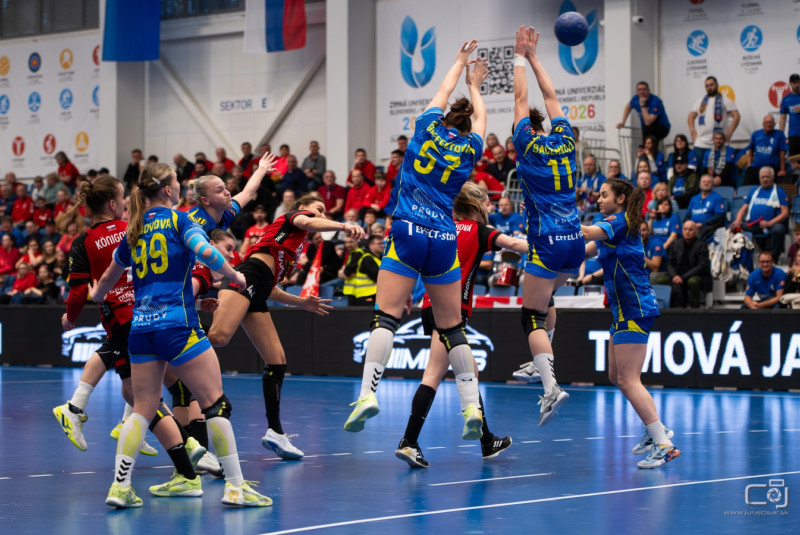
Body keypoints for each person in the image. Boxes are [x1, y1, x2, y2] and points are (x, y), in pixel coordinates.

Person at [89, 163, 271, 508]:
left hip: (141, 330)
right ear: (168, 190)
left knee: (142, 410)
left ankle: (120, 487)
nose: (179, 187)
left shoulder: (134, 228)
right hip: (177, 326)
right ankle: (236, 487)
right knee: (215, 403)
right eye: (176, 182)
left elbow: (108, 279)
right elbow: (206, 252)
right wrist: (235, 275)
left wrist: (96, 294)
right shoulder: (180, 220)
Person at [344, 40, 489, 439]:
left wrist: (459, 62)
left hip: (408, 229)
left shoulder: (425, 128)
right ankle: (470, 406)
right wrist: (476, 86)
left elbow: (441, 91)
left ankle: (367, 395)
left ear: (442, 119)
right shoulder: (469, 149)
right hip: (443, 236)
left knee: (386, 317)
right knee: (452, 327)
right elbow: (481, 120)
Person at [53, 176, 206, 493]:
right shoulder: (134, 229)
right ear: (113, 204)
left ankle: (184, 462)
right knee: (144, 396)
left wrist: (71, 318)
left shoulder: (84, 240)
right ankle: (189, 459)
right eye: (123, 197)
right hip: (147, 315)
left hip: (120, 318)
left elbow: (79, 291)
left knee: (140, 395)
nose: (126, 202)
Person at [207, 194, 362, 458]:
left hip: (260, 287)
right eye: (319, 209)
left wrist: (303, 303)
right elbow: (308, 223)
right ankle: (176, 341)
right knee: (219, 337)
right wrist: (345, 226)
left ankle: (275, 432)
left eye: (324, 211)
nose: (321, 214)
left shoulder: (294, 246)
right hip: (246, 277)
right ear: (302, 208)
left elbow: (271, 289)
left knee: (277, 361)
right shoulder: (292, 219)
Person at [396, 182, 527, 468]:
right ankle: (409, 441)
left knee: (468, 370)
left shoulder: (442, 227)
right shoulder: (480, 231)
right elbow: (518, 245)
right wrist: (554, 245)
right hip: (451, 313)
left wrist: (405, 290)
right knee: (435, 374)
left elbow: (416, 261)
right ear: (477, 204)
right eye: (488, 202)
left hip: (429, 305)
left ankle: (486, 441)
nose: (490, 207)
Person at [580, 178, 679, 468]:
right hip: (621, 311)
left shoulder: (619, 221)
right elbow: (581, 250)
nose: (599, 200)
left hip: (635, 308)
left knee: (628, 380)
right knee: (616, 376)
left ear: (620, 198)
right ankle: (655, 429)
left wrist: (553, 213)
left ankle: (664, 444)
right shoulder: (610, 230)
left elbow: (585, 231)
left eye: (604, 195)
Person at [512, 26, 577, 425]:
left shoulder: (527, 145)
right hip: (573, 239)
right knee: (546, 297)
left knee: (530, 316)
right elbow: (550, 98)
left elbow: (521, 99)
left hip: (548, 239)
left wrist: (518, 56)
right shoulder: (566, 139)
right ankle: (542, 360)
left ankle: (551, 387)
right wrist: (535, 58)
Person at [187, 151, 276, 234]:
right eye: (219, 190)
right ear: (205, 200)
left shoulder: (226, 211)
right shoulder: (193, 222)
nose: (228, 193)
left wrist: (261, 169)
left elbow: (247, 193)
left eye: (225, 188)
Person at [730, 166, 789, 260]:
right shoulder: (754, 191)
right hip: (754, 225)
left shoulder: (779, 191)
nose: (765, 179)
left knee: (779, 229)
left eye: (767, 177)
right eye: (762, 177)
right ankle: (739, 259)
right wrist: (738, 220)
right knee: (734, 228)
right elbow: (743, 209)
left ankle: (773, 257)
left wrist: (770, 223)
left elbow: (785, 213)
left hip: (771, 225)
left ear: (773, 178)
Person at [687, 76, 740, 165]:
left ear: (717, 85)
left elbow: (736, 116)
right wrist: (692, 130)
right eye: (707, 86)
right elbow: (691, 116)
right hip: (701, 143)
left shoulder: (725, 100)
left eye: (711, 85)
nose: (709, 87)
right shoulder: (700, 101)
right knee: (698, 169)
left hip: (719, 143)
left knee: (719, 169)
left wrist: (730, 132)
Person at [667, 220, 711, 308]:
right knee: (659, 280)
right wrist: (674, 276)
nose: (687, 232)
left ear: (696, 232)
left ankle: (695, 309)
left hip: (695, 276)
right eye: (685, 229)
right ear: (682, 231)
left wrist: (683, 277)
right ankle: (662, 309)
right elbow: (670, 263)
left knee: (693, 281)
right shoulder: (676, 244)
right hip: (677, 275)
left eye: (690, 229)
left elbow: (701, 266)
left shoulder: (702, 245)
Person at [743, 114, 788, 185]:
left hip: (772, 166)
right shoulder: (755, 134)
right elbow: (750, 150)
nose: (769, 124)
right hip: (756, 166)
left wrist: (782, 169)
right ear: (763, 124)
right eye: (767, 122)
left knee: (767, 181)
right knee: (747, 182)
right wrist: (749, 165)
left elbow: (782, 152)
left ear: (774, 124)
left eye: (771, 122)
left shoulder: (780, 134)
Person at [342, 234, 383, 305]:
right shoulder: (366, 258)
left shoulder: (376, 258)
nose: (382, 245)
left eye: (383, 243)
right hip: (366, 295)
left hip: (370, 294)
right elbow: (378, 277)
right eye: (379, 243)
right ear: (371, 245)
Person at [685, 174, 727, 241]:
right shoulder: (694, 198)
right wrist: (688, 224)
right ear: (700, 185)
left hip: (706, 227)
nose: (706, 183)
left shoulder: (717, 198)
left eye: (709, 182)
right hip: (692, 227)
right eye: (704, 182)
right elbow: (688, 215)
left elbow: (719, 215)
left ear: (712, 185)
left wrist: (703, 224)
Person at [780, 74, 800, 159]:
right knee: (794, 160)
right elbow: (783, 117)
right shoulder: (786, 99)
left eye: (798, 82)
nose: (797, 85)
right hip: (793, 134)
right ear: (790, 83)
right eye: (794, 83)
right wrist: (780, 134)